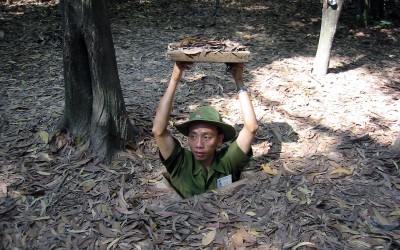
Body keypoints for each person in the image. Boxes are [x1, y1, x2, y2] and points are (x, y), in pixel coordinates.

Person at [152, 62, 258, 199]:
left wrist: (239, 81)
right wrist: (174, 80)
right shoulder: (180, 161)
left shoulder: (228, 161)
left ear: (219, 139)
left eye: (207, 137)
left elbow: (251, 128)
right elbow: (158, 130)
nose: (198, 144)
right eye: (193, 136)